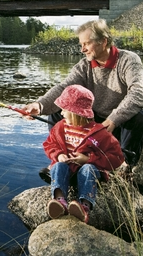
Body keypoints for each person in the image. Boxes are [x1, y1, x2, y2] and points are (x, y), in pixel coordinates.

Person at [24, 19, 143, 180]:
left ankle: (124, 168)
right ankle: (64, 161)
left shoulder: (129, 60)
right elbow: (63, 89)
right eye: (81, 44)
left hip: (120, 124)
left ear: (103, 42)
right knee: (59, 111)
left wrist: (114, 119)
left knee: (140, 116)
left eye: (87, 44)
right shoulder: (84, 66)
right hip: (95, 123)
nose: (82, 49)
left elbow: (139, 93)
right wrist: (39, 105)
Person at [44, 84, 125, 223]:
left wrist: (88, 159)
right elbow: (49, 144)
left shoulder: (99, 133)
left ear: (76, 112)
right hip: (68, 170)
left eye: (64, 109)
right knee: (58, 166)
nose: (61, 113)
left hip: (86, 173)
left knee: (88, 169)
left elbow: (117, 157)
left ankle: (84, 207)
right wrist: (58, 155)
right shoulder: (60, 127)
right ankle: (59, 201)